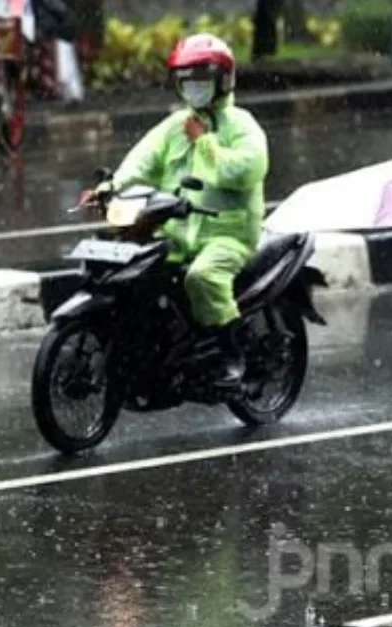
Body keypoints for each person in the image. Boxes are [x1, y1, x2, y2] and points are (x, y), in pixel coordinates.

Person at [85, 33, 268, 387]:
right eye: (187, 81)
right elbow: (141, 161)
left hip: (227, 235)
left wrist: (206, 143)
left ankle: (230, 355)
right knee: (134, 269)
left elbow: (246, 170)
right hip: (178, 231)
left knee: (202, 277)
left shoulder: (242, 126)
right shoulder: (175, 127)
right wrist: (108, 188)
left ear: (223, 79)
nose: (194, 88)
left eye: (202, 79)